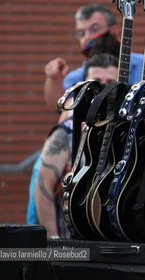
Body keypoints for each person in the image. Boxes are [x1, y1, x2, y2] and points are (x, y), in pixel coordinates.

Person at [34, 53, 119, 238]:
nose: (103, 88)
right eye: (96, 81)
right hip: (69, 245)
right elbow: (42, 190)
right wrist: (54, 242)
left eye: (110, 82)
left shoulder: (125, 130)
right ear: (84, 86)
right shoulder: (66, 132)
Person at [43, 3, 145, 110]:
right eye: (81, 33)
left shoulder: (142, 64)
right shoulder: (75, 77)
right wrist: (53, 79)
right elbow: (60, 109)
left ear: (114, 31)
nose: (87, 37)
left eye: (94, 29)